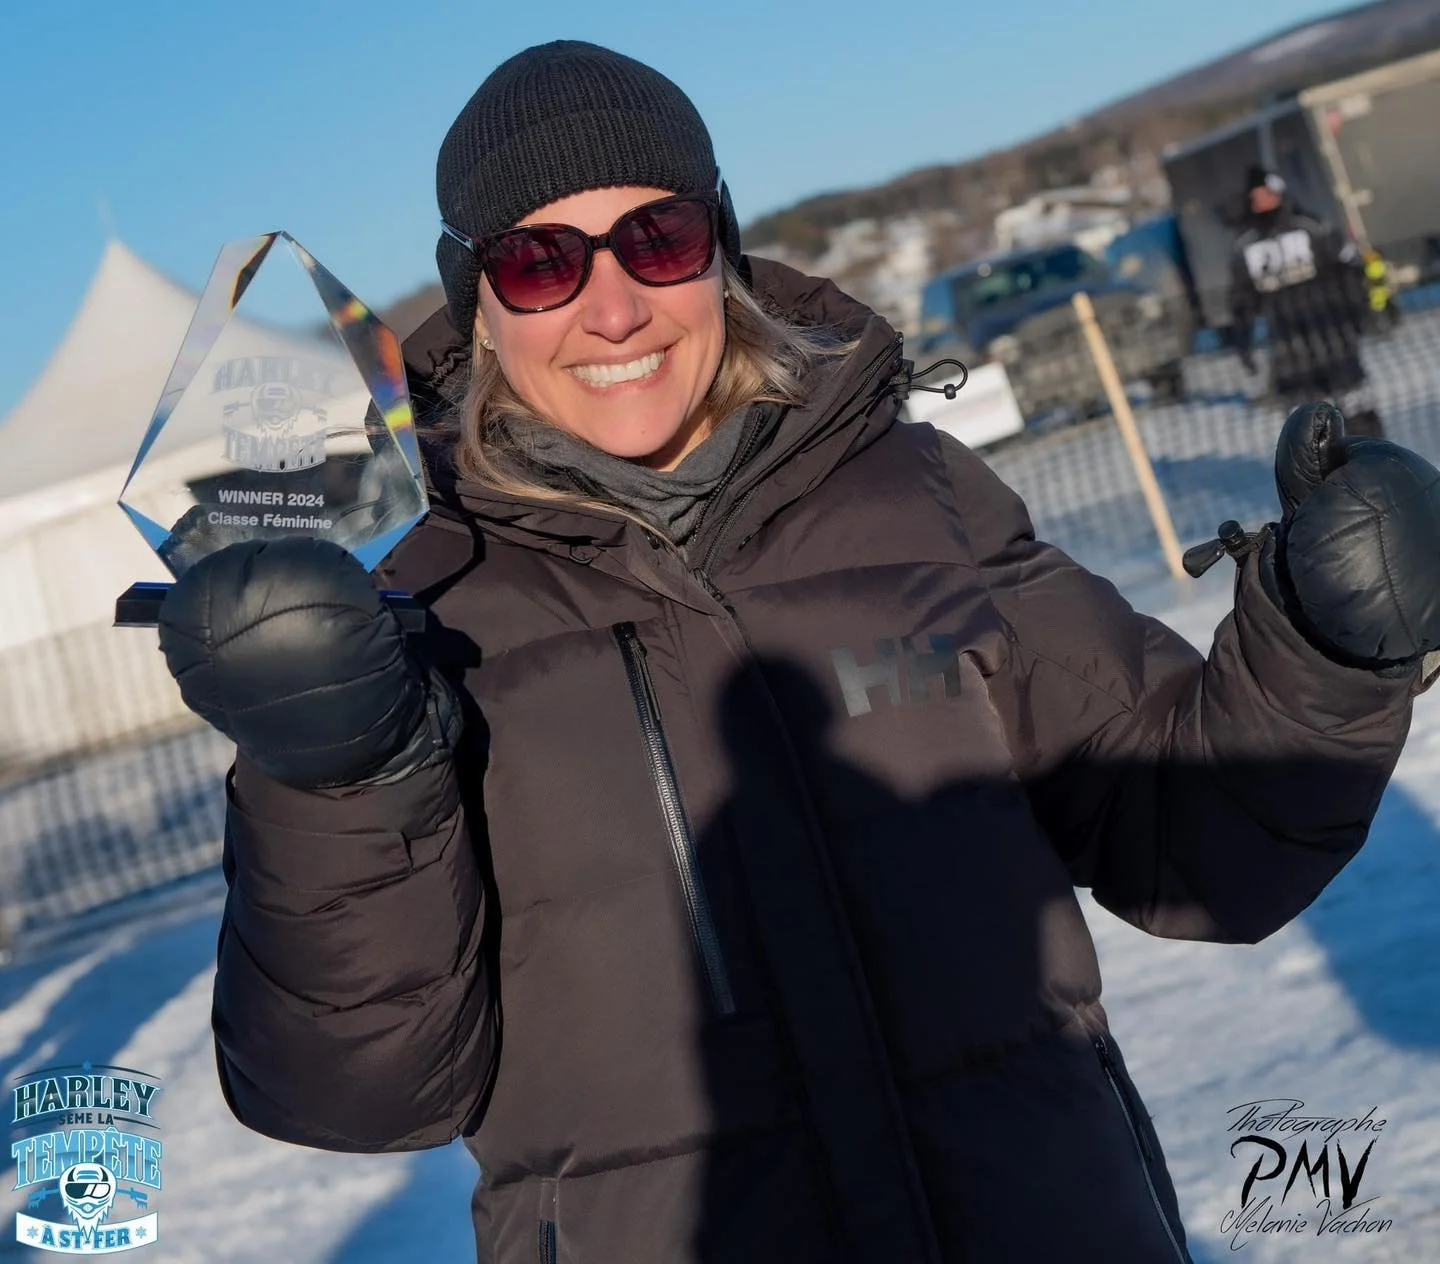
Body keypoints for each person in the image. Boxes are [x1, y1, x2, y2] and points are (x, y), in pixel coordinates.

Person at [157, 43, 1440, 1263]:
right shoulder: (418, 617)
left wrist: (1327, 649)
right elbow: (357, 1086)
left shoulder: (917, 495)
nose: (612, 307)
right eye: (543, 260)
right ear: (479, 298)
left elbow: (1197, 842)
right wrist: (342, 780)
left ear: (720, 242)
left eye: (657, 237)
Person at [1229, 165, 1385, 436]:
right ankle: (1320, 475)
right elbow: (1240, 300)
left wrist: (1360, 312)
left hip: (1333, 336)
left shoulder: (1310, 228)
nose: (1262, 201)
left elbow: (1348, 270)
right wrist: (1243, 343)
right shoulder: (1245, 246)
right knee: (1308, 428)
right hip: (1289, 349)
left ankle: (1372, 462)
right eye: (1256, 196)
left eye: (1267, 193)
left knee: (1356, 410)